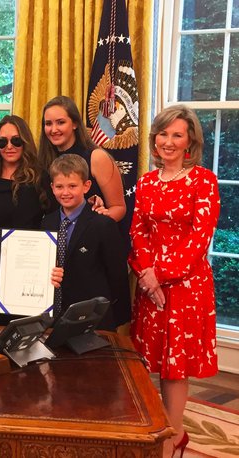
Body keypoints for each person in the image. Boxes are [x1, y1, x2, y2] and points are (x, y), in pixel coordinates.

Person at [128, 105, 220, 457]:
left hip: (186, 286)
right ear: (154, 139)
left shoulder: (204, 181)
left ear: (189, 141)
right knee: (151, 360)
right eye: (163, 134)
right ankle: (160, 427)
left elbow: (200, 239)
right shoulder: (146, 182)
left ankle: (174, 433)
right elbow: (137, 232)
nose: (168, 141)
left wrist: (161, 275)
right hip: (151, 286)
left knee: (174, 364)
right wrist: (147, 276)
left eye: (176, 135)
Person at [40, 154, 131, 330]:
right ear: (52, 188)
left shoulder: (103, 224)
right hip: (54, 318)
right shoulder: (47, 223)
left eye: (72, 186)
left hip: (92, 318)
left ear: (86, 186)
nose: (65, 192)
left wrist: (113, 315)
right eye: (59, 186)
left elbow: (117, 275)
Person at [38, 96, 126, 222]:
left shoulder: (97, 157)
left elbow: (119, 208)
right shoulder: (42, 161)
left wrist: (88, 229)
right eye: (48, 124)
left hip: (92, 237)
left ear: (75, 124)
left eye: (60, 122)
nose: (54, 129)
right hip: (55, 237)